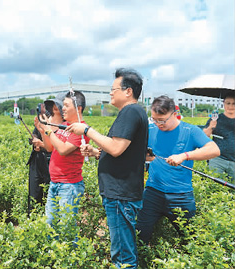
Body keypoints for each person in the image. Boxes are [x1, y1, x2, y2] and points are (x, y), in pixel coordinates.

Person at [66, 68, 148, 268]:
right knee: (122, 250)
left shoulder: (130, 111)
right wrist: (96, 152)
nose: (110, 93)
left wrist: (87, 130)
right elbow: (120, 150)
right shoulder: (133, 112)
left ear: (128, 91)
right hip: (121, 193)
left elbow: (116, 148)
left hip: (121, 194)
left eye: (114, 89)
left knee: (122, 256)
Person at [136, 95, 220, 245]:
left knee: (189, 240)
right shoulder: (151, 129)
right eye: (154, 119)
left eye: (162, 120)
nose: (158, 124)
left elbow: (214, 150)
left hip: (181, 196)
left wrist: (185, 155)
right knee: (140, 234)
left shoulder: (190, 131)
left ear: (174, 114)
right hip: (152, 192)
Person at [35, 90, 90, 238]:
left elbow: (64, 150)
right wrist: (42, 130)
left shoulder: (81, 129)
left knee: (67, 228)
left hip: (69, 185)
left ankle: (70, 260)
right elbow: (50, 148)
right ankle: (54, 258)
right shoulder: (64, 125)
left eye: (66, 105)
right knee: (50, 224)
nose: (62, 109)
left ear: (78, 109)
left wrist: (49, 131)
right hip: (55, 183)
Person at [27, 94, 65, 214]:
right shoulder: (43, 120)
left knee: (48, 193)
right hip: (37, 160)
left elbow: (54, 147)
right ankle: (33, 218)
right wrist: (35, 143)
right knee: (34, 192)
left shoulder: (62, 125)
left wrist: (42, 144)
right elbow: (36, 136)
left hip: (49, 161)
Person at [203, 92, 235, 182]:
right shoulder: (216, 119)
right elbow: (205, 136)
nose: (231, 106)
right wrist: (211, 126)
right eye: (228, 103)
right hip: (217, 160)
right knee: (214, 185)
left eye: (233, 103)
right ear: (223, 103)